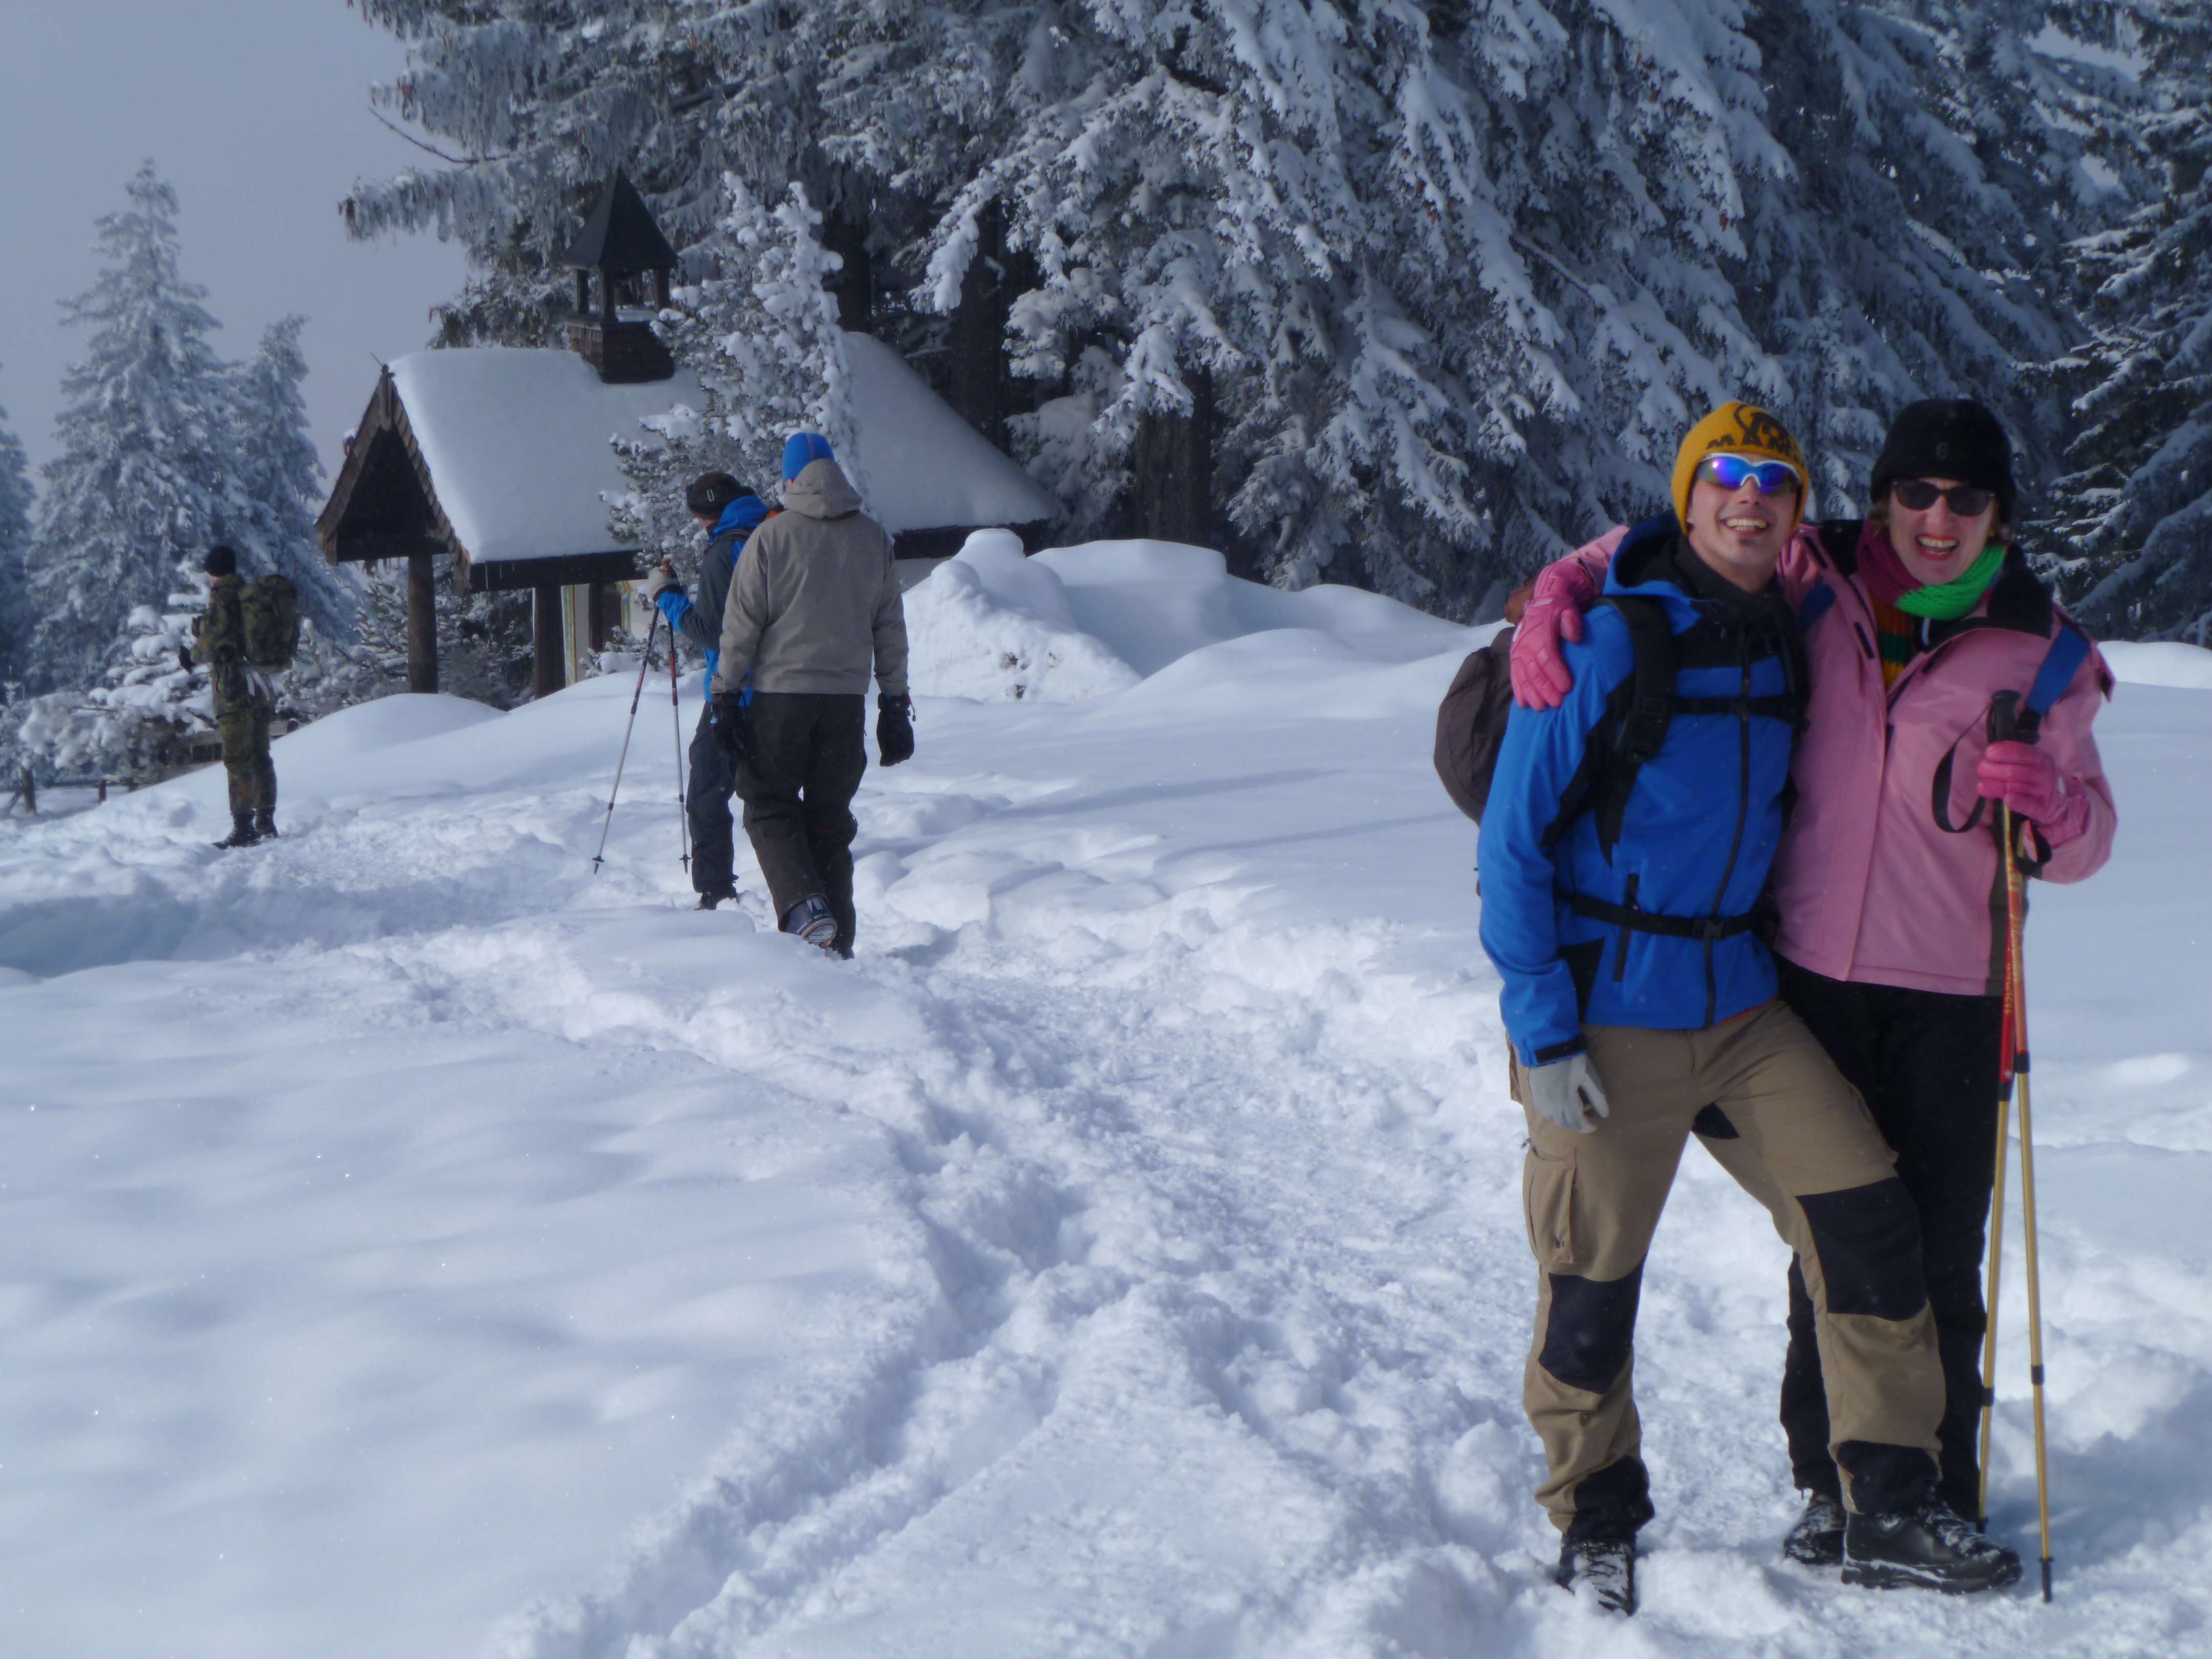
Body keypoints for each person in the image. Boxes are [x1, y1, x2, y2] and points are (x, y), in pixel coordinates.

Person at [1511, 398, 2114, 1570]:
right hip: (1798, 971)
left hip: (1949, 989)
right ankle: (1816, 1489)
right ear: (1880, 499)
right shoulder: (1815, 573)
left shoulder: (2046, 648)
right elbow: (1668, 538)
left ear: (1999, 516)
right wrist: (1556, 590)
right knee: (1813, 1243)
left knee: (1924, 1244)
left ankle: (1924, 1489)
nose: (1938, 517)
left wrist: (2054, 804)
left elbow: (2087, 839)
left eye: (1967, 498)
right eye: (1915, 492)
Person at [710, 433, 913, 956]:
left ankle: (803, 909)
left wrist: (725, 695)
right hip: (845, 704)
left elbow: (741, 625)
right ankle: (837, 945)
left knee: (767, 803)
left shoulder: (771, 538)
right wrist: (894, 702)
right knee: (829, 823)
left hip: (782, 700)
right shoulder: (873, 540)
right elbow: (889, 627)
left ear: (790, 479)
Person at [643, 473, 772, 909]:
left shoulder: (725, 552)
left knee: (707, 794)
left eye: (698, 517)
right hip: (785, 688)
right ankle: (801, 880)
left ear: (707, 516)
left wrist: (667, 596)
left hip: (734, 692)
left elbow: (712, 631)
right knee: (771, 793)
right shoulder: (775, 532)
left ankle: (716, 892)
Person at [187, 545, 278, 849]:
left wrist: (190, 656)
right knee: (261, 755)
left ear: (212, 572)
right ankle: (266, 822)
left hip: (234, 689)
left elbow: (212, 642)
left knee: (238, 758)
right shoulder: (249, 595)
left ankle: (243, 829)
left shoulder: (223, 596)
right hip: (260, 687)